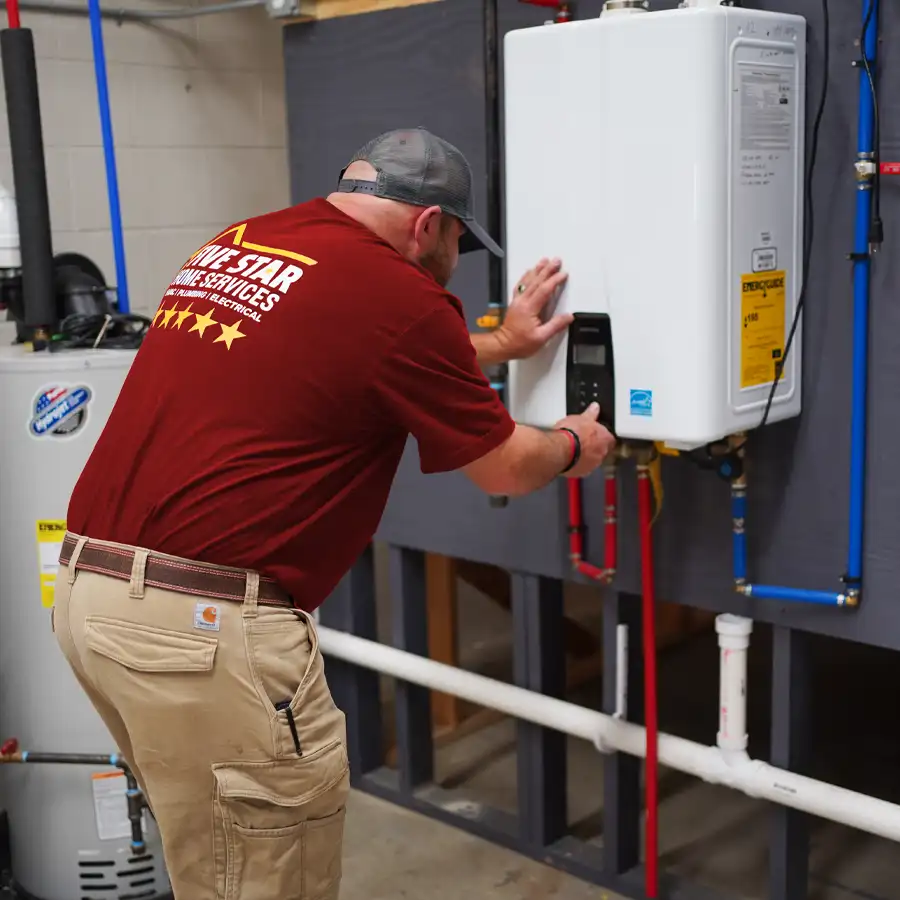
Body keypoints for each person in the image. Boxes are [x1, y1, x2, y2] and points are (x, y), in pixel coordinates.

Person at [52, 127, 615, 899]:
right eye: (457, 240)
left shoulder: (250, 240)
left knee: (211, 867)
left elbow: (358, 342)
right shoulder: (399, 294)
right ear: (428, 225)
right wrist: (573, 442)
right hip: (201, 639)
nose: (454, 260)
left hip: (92, 599)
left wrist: (503, 341)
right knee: (262, 878)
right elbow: (507, 466)